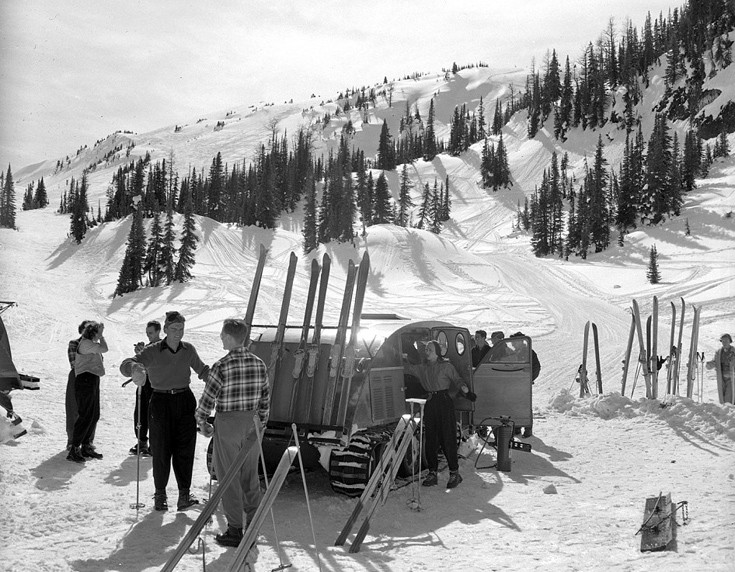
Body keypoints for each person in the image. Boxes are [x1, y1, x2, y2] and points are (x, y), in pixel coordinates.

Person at [120, 311, 209, 511]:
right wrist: (134, 368)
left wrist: (218, 377)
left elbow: (202, 371)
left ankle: (184, 495)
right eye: (174, 329)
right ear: (166, 330)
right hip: (160, 401)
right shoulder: (153, 351)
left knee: (185, 449)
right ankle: (160, 495)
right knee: (160, 449)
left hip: (185, 400)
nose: (178, 333)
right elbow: (126, 364)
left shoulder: (188, 349)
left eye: (181, 329)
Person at [195, 318, 271, 548]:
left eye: (222, 335)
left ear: (229, 337)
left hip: (228, 422)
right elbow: (265, 398)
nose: (220, 338)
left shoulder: (221, 366)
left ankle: (235, 530)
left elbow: (208, 400)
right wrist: (261, 424)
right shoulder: (259, 363)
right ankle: (253, 526)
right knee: (250, 476)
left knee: (228, 476)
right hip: (252, 423)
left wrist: (202, 422)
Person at [404, 340, 472, 489]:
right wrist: (398, 357)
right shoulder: (423, 368)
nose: (426, 351)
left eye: (429, 349)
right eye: (426, 349)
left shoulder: (446, 366)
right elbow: (408, 369)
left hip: (444, 402)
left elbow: (457, 379)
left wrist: (464, 388)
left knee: (447, 437)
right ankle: (432, 473)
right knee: (431, 440)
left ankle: (455, 473)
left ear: (437, 352)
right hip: (430, 402)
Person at [67, 321, 107, 463]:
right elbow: (104, 349)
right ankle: (75, 447)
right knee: (85, 415)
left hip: (92, 379)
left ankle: (85, 445)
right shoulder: (84, 344)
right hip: (84, 380)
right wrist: (101, 336)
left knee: (93, 414)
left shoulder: (90, 344)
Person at [129, 320, 161, 456]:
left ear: (158, 332)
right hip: (145, 382)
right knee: (140, 412)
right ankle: (142, 441)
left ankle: (155, 444)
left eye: (151, 333)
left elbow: (158, 363)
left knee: (154, 413)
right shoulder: (148, 347)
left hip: (157, 383)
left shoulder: (162, 346)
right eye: (147, 333)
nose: (149, 336)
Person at [66, 320, 92, 450]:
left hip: (92, 378)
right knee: (74, 409)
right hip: (77, 377)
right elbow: (74, 363)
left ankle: (87, 441)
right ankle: (72, 440)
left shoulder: (95, 346)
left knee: (91, 410)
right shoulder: (74, 343)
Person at [510, 332, 541, 438]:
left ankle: (528, 428)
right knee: (515, 405)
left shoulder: (529, 352)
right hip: (515, 384)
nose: (513, 344)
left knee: (525, 406)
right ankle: (517, 427)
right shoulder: (515, 353)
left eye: (514, 342)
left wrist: (529, 379)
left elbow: (536, 368)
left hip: (525, 384)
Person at [708, 333, 734, 404]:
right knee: (722, 397)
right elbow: (715, 362)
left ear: (730, 341)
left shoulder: (734, 352)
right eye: (723, 341)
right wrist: (709, 365)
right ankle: (726, 413)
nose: (724, 343)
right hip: (721, 378)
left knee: (729, 398)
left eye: (726, 341)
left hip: (732, 379)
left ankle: (728, 412)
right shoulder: (719, 352)